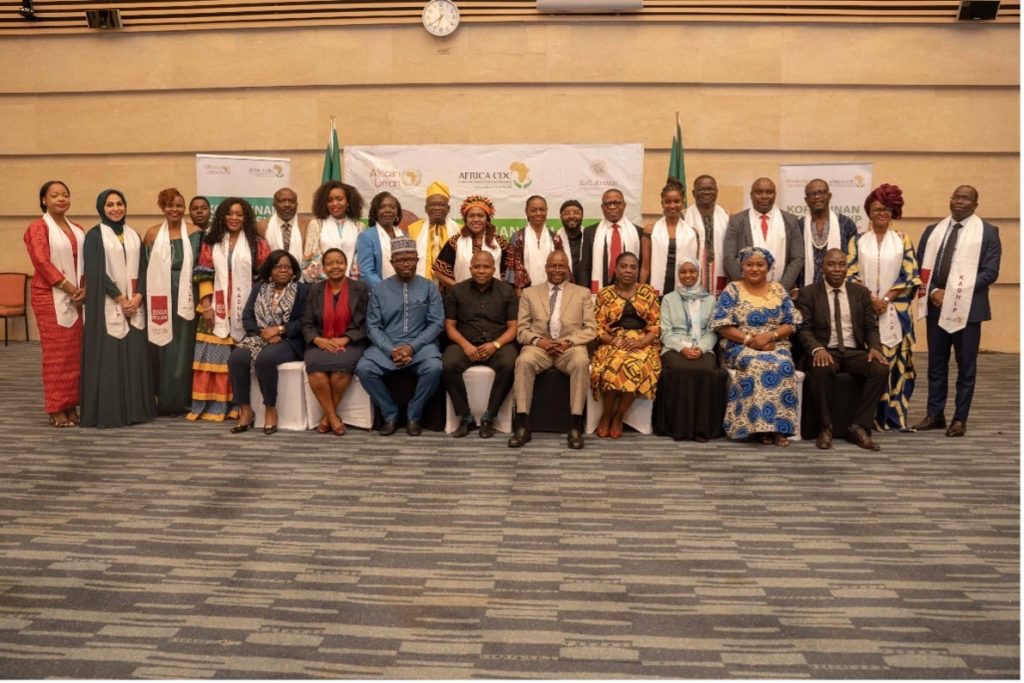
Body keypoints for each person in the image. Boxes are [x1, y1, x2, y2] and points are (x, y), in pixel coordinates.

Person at [912, 185, 1001, 438]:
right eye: (956, 197)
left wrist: (951, 293)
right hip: (936, 306)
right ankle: (935, 414)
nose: (959, 201)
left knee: (966, 366)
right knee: (936, 364)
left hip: (968, 310)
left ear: (975, 204)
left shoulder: (988, 232)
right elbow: (920, 268)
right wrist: (933, 291)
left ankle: (960, 419)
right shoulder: (933, 231)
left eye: (966, 198)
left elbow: (990, 272)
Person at [796, 248, 889, 450]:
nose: (837, 269)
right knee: (821, 368)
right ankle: (825, 427)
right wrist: (817, 349)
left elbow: (870, 327)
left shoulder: (860, 293)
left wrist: (875, 348)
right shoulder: (809, 293)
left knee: (880, 368)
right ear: (822, 267)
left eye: (841, 264)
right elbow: (804, 329)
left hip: (853, 350)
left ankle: (859, 426)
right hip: (825, 349)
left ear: (847, 268)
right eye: (831, 264)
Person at [187, 198, 271, 422]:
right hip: (216, 307)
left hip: (247, 308)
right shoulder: (211, 241)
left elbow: (265, 277)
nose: (234, 218)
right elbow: (203, 274)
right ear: (222, 216)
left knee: (240, 359)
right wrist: (206, 306)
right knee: (215, 358)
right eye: (230, 213)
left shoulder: (257, 243)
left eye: (239, 214)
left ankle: (239, 406)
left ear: (246, 218)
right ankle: (214, 407)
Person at [79, 189, 156, 428]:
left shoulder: (133, 234)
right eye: (110, 204)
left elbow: (143, 268)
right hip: (107, 305)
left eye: (119, 203)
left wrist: (139, 296)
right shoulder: (94, 236)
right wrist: (121, 298)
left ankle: (136, 411)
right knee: (110, 358)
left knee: (134, 356)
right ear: (101, 208)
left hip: (135, 304)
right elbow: (95, 272)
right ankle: (111, 412)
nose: (115, 208)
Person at [847, 183, 920, 431]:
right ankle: (869, 416)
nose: (881, 214)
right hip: (865, 313)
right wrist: (871, 300)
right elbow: (850, 273)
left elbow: (910, 275)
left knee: (897, 364)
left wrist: (885, 299)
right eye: (877, 209)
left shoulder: (903, 240)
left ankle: (893, 416)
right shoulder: (857, 240)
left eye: (886, 209)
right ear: (869, 211)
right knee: (870, 363)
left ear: (893, 212)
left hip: (896, 314)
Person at [712, 246, 800, 446]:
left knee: (784, 365)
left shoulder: (778, 290)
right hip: (739, 345)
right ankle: (759, 427)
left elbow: (792, 323)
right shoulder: (732, 290)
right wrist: (752, 341)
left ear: (768, 267)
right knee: (758, 364)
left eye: (760, 265)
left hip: (775, 344)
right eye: (749, 264)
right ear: (742, 267)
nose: (754, 269)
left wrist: (770, 336)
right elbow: (722, 326)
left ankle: (779, 428)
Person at [508, 250, 597, 450]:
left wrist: (569, 342)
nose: (557, 270)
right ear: (546, 268)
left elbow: (591, 329)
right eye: (553, 266)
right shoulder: (529, 293)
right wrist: (539, 341)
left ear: (567, 269)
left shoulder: (582, 293)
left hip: (570, 347)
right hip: (540, 347)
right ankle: (522, 425)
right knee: (523, 361)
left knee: (581, 362)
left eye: (561, 266)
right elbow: (521, 330)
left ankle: (575, 426)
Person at [355, 237, 444, 436]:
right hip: (387, 345)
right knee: (364, 369)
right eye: (400, 260)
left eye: (410, 259)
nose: (406, 264)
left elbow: (436, 323)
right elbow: (373, 326)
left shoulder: (429, 287)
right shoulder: (379, 289)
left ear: (417, 261)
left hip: (421, 345)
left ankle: (414, 414)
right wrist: (390, 350)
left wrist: (412, 347)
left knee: (434, 368)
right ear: (392, 262)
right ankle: (390, 414)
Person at [23, 181, 86, 427]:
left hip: (78, 296)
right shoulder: (37, 228)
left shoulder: (78, 229)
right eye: (55, 195)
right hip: (49, 296)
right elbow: (41, 262)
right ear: (44, 200)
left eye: (65, 195)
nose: (61, 199)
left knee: (74, 353)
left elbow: (87, 261)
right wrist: (69, 288)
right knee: (56, 353)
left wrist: (84, 289)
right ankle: (56, 407)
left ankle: (70, 404)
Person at [227, 250, 309, 434]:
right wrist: (264, 334)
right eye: (278, 266)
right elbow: (247, 317)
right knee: (236, 358)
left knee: (266, 359)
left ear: (294, 270)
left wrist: (279, 329)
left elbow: (305, 322)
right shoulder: (259, 288)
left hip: (289, 340)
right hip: (259, 337)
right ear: (270, 270)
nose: (283, 270)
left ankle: (270, 409)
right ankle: (245, 410)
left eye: (287, 267)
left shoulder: (303, 290)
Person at [442, 251, 518, 438]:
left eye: (486, 267)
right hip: (465, 343)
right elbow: (449, 326)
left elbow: (513, 328)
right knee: (448, 363)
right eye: (477, 267)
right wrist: (465, 345)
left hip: (497, 344)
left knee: (510, 364)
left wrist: (495, 345)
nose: (481, 271)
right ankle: (466, 417)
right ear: (470, 269)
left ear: (493, 269)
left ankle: (489, 417)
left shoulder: (506, 291)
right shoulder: (457, 291)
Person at [654, 258, 729, 442]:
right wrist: (682, 348)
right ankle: (679, 428)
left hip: (702, 346)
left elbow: (712, 331)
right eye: (683, 272)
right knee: (680, 369)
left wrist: (701, 348)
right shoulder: (669, 299)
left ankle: (701, 428)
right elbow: (666, 332)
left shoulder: (710, 300)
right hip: (675, 346)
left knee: (706, 370)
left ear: (699, 273)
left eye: (692, 271)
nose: (687, 275)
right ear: (678, 274)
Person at [143, 187, 202, 416]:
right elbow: (143, 268)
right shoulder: (151, 234)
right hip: (158, 297)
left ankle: (183, 400)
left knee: (184, 348)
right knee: (161, 347)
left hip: (186, 296)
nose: (174, 209)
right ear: (162, 207)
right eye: (169, 205)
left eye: (179, 205)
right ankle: (163, 399)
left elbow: (203, 268)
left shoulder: (196, 232)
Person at [591, 252, 661, 438]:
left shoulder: (648, 292)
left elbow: (656, 326)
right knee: (613, 363)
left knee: (637, 365)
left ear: (638, 271)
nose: (628, 270)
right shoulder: (604, 294)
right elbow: (596, 327)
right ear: (616, 269)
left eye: (633, 267)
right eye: (624, 266)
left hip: (643, 342)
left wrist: (640, 343)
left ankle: (618, 416)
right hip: (613, 340)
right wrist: (614, 341)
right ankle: (606, 414)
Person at [302, 248, 369, 436]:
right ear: (323, 268)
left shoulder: (360, 288)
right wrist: (317, 340)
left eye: (339, 262)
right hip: (320, 341)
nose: (335, 266)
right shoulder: (315, 289)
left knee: (342, 367)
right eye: (330, 263)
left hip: (350, 342)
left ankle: (326, 418)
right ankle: (332, 418)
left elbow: (366, 321)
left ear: (346, 265)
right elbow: (306, 322)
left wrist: (346, 339)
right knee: (315, 367)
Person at [722, 178, 804, 293]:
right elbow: (729, 258)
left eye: (769, 192)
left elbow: (797, 258)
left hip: (780, 293)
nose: (764, 196)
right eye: (759, 192)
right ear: (751, 195)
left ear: (775, 195)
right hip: (745, 293)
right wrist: (746, 287)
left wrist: (781, 289)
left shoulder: (790, 221)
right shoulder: (737, 221)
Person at [641, 178, 703, 297]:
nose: (672, 205)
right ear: (662, 204)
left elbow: (695, 268)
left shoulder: (692, 233)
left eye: (676, 201)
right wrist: (641, 294)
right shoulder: (651, 230)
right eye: (667, 202)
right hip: (655, 290)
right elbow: (645, 267)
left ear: (682, 203)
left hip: (684, 293)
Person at [432, 195, 508, 290]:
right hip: (461, 297)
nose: (476, 219)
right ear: (466, 219)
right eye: (471, 216)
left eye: (480, 216)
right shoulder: (455, 242)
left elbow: (507, 272)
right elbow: (438, 272)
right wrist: (460, 289)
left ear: (487, 219)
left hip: (493, 295)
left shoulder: (499, 242)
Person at [581, 188, 643, 293]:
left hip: (630, 290)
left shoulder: (638, 232)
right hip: (600, 287)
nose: (612, 207)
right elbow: (585, 267)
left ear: (624, 205)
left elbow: (642, 266)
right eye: (608, 204)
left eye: (616, 203)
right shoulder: (590, 232)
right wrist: (584, 292)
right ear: (602, 207)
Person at [800, 179, 858, 287]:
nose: (817, 197)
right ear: (806, 200)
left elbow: (853, 260)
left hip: (840, 288)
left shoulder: (846, 223)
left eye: (821, 192)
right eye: (812, 194)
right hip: (806, 288)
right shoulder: (799, 225)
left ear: (829, 196)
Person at [302, 180, 364, 282]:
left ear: (348, 202)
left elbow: (359, 259)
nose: (334, 203)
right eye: (329, 200)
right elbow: (309, 258)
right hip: (322, 283)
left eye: (339, 199)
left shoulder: (358, 227)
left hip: (350, 284)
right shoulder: (317, 224)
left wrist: (348, 282)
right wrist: (333, 278)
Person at [505, 195, 568, 294]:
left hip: (553, 291)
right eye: (533, 210)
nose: (538, 213)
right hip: (525, 292)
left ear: (546, 211)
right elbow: (512, 268)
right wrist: (518, 291)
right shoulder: (518, 237)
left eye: (542, 210)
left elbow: (562, 266)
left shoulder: (555, 239)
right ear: (526, 212)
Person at [683, 174, 730, 295]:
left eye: (710, 188)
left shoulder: (728, 217)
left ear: (717, 191)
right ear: (693, 193)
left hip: (720, 273)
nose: (706, 192)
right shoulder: (683, 217)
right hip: (691, 274)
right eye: (702, 189)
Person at [408, 180, 459, 282]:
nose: (437, 208)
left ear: (448, 208)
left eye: (441, 204)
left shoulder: (459, 230)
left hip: (451, 285)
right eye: (432, 204)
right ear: (426, 208)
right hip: (421, 284)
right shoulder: (413, 229)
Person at [355, 191, 408, 287]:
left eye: (392, 207)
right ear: (375, 211)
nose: (388, 210)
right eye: (382, 207)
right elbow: (366, 272)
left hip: (403, 289)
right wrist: (385, 290)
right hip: (379, 291)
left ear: (397, 211)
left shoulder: (404, 235)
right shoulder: (366, 237)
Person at [257, 187, 304, 264]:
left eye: (291, 201)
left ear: (296, 205)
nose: (287, 205)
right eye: (282, 201)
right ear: (274, 205)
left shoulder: (305, 226)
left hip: (300, 270)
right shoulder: (261, 226)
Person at [555, 199, 585, 284]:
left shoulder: (591, 237)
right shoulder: (554, 240)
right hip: (563, 285)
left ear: (582, 215)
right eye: (566, 213)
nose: (571, 216)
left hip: (587, 285)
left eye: (576, 212)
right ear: (561, 217)